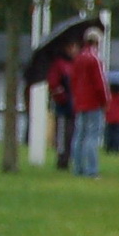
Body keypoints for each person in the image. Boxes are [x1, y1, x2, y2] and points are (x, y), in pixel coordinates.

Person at [70, 30, 110, 178]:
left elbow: (73, 80)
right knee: (92, 136)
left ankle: (77, 168)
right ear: (98, 42)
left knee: (79, 135)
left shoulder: (78, 58)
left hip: (80, 102)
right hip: (93, 103)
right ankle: (92, 169)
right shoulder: (95, 59)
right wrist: (105, 101)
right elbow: (101, 83)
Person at [47, 38, 77, 171]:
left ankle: (70, 157)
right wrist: (62, 98)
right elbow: (54, 84)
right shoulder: (59, 64)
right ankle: (62, 159)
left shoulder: (75, 63)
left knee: (72, 133)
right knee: (63, 133)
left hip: (75, 105)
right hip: (64, 106)